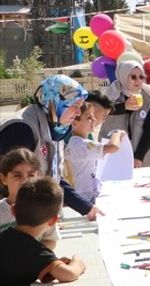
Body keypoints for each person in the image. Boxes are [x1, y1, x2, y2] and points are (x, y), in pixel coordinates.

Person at [0, 75, 97, 219]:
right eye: (74, 106)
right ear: (56, 102)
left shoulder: (54, 126)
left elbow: (51, 178)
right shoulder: (21, 129)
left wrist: (86, 208)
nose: (78, 113)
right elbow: (16, 182)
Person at [63, 91, 124, 204]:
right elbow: (112, 147)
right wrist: (116, 134)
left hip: (87, 193)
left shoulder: (85, 137)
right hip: (81, 197)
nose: (96, 120)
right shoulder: (76, 142)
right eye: (89, 117)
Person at [99, 59, 150, 168]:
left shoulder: (149, 99)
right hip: (113, 153)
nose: (138, 81)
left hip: (140, 155)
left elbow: (149, 132)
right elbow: (100, 112)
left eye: (141, 77)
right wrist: (123, 107)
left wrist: (139, 156)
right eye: (133, 77)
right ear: (123, 76)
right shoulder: (111, 94)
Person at [0, 149, 41, 233]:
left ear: (39, 176)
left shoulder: (43, 208)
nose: (24, 181)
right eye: (17, 175)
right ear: (4, 178)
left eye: (31, 175)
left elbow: (51, 240)